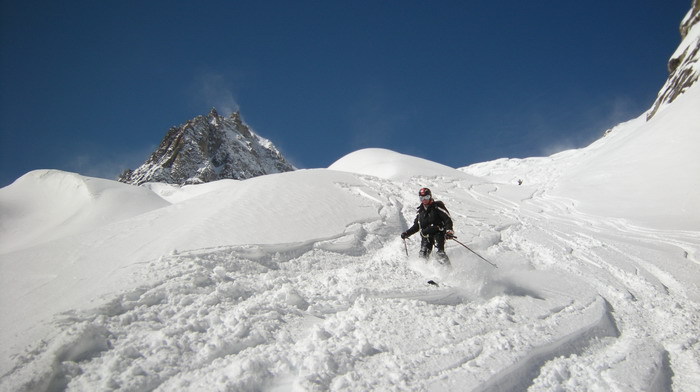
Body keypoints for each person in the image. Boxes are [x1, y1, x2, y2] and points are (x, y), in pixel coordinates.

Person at [401, 187, 454, 264]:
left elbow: (447, 219)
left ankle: (448, 271)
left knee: (439, 253)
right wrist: (407, 233)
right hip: (426, 235)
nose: (424, 200)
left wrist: (449, 231)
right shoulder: (420, 212)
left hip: (438, 233)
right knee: (423, 255)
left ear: (430, 196)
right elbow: (416, 226)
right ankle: (423, 272)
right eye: (422, 198)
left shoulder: (437, 207)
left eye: (426, 197)